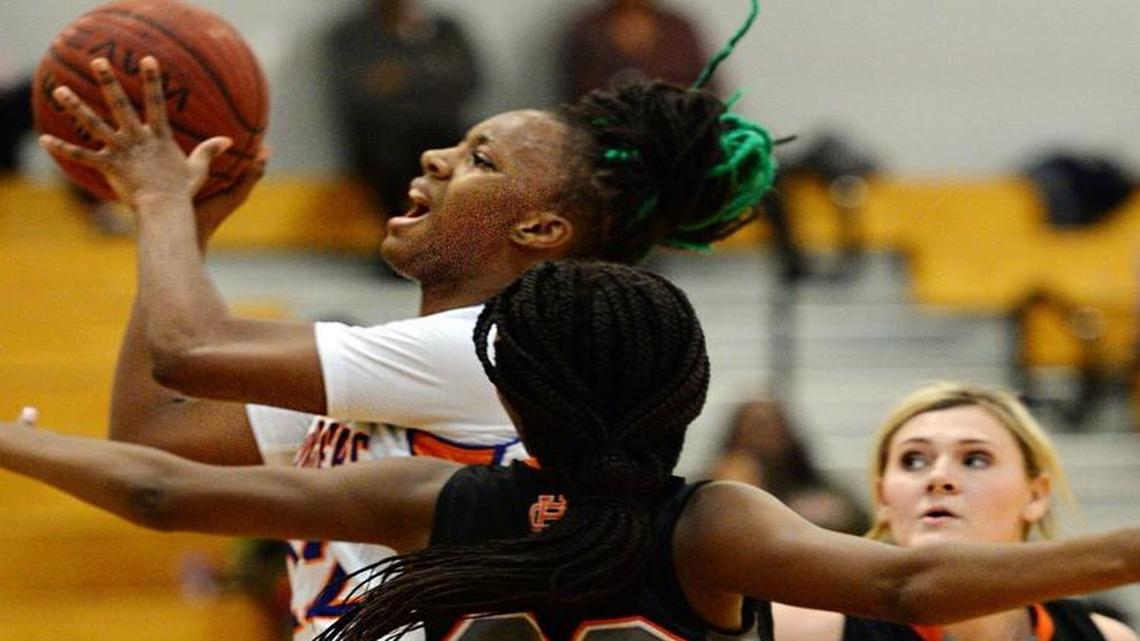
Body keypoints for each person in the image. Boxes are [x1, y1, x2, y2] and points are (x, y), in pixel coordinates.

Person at [37, 2, 776, 636]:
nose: (434, 156)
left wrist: (163, 201)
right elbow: (156, 431)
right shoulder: (398, 371)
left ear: (542, 230)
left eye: (480, 159)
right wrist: (186, 226)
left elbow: (186, 350)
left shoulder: (494, 352)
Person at [2, 263, 1140, 641]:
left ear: (520, 395)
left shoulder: (439, 496)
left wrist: (12, 442)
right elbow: (907, 579)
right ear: (684, 395)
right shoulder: (711, 525)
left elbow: (156, 485)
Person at [773, 381, 1139, 641]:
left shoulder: (1105, 637)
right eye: (913, 460)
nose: (939, 477)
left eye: (975, 459)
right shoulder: (807, 629)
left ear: (1036, 495)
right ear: (883, 498)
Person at [324, 0, 481, 227]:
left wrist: (404, 77)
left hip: (442, 131)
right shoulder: (351, 35)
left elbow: (468, 80)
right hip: (387, 145)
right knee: (391, 149)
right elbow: (360, 93)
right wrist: (431, 75)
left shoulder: (445, 29)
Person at [708, 398, 870, 534]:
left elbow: (862, 523)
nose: (765, 436)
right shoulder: (713, 488)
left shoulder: (815, 487)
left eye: (773, 426)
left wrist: (836, 515)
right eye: (757, 426)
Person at [563, 0, 720, 100]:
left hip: (678, 137)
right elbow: (578, 95)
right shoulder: (589, 29)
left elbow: (708, 91)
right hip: (608, 138)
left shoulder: (678, 29)